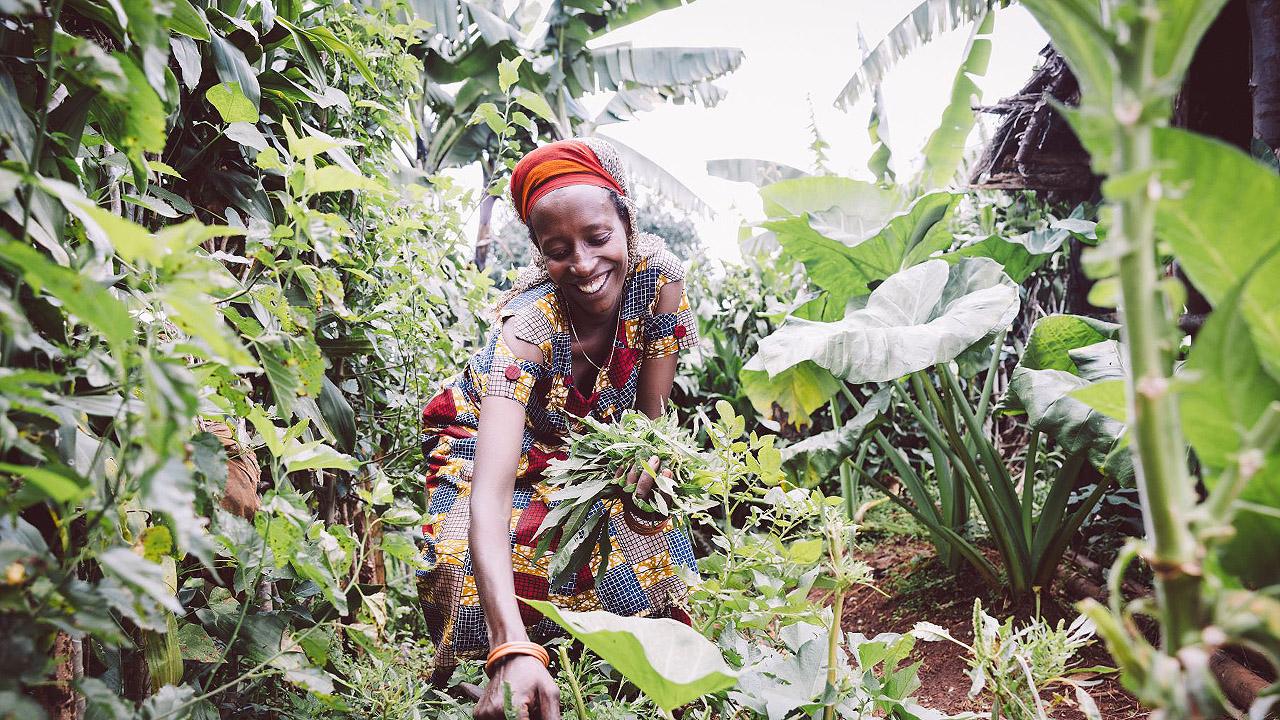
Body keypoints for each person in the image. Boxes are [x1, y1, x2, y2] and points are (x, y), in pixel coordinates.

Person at [416, 137, 701, 720]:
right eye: (558, 249)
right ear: (540, 254)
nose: (584, 265)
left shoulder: (660, 284)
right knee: (460, 553)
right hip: (484, 446)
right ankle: (496, 667)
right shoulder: (526, 328)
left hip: (590, 444)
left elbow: (647, 426)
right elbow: (488, 494)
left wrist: (646, 474)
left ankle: (627, 676)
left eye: (598, 239)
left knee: (646, 538)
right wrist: (511, 648)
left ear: (627, 221)